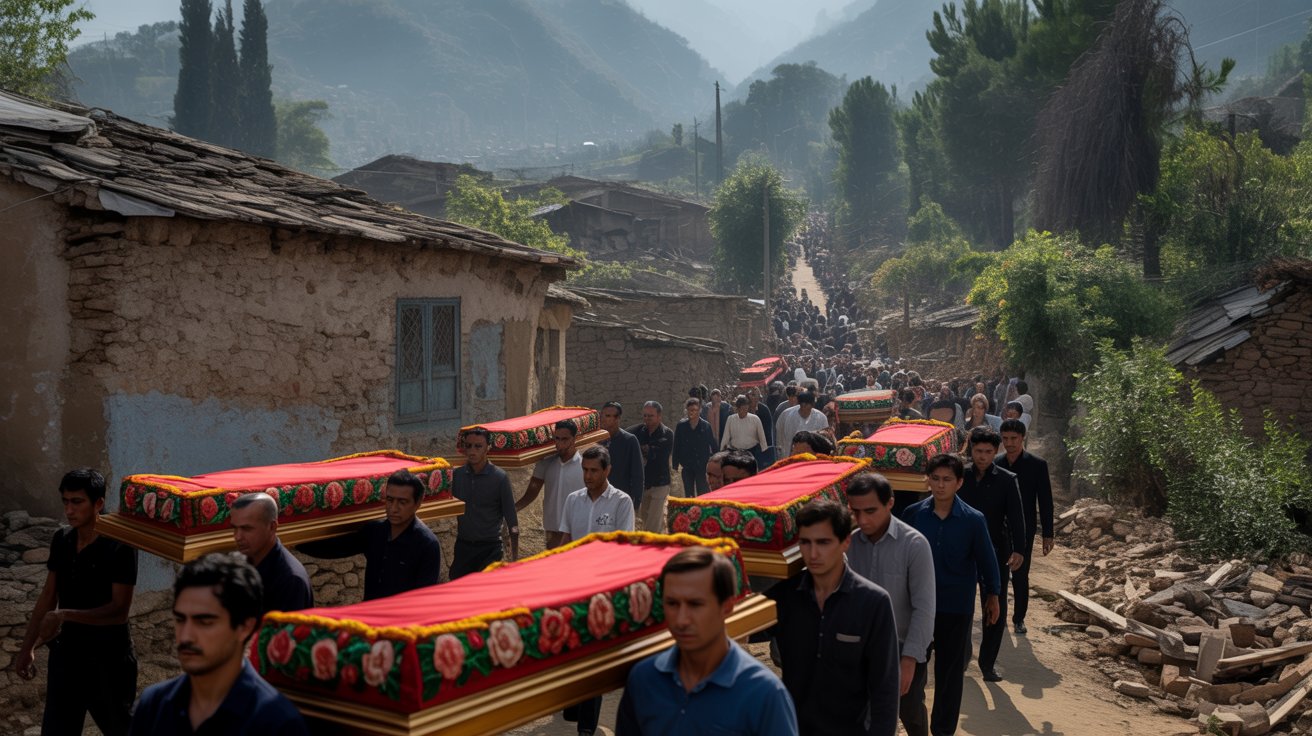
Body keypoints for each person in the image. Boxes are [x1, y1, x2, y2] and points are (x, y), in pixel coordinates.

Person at [616, 547, 799, 736]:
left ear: (727, 607)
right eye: (672, 604)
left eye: (695, 604)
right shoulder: (644, 680)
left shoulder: (763, 693)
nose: (681, 619)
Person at [128, 553, 308, 735]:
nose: (186, 636)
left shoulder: (277, 722)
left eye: (205, 622)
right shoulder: (153, 706)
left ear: (245, 627)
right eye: (180, 620)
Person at [15, 468, 137, 736]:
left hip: (108, 659)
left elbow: (119, 611)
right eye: (65, 502)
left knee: (120, 729)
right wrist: (27, 648)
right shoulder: (63, 540)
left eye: (77, 502)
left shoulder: (120, 546)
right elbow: (48, 595)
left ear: (98, 503)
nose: (69, 510)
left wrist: (64, 615)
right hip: (67, 656)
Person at [766, 500, 900, 735]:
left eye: (823, 542)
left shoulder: (873, 602)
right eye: (805, 543)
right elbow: (738, 630)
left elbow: (885, 689)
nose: (813, 554)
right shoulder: (785, 596)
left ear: (845, 542)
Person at [902, 454, 1000, 736]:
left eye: (947, 479)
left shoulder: (973, 520)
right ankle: (917, 727)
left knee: (949, 674)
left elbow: (987, 560)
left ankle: (943, 730)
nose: (940, 485)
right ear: (927, 480)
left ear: (959, 483)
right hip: (917, 607)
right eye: (935, 478)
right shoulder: (913, 515)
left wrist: (993, 595)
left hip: (956, 606)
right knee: (913, 670)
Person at [846, 472, 936, 736]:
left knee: (909, 711)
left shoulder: (915, 545)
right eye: (856, 511)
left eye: (870, 511)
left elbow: (924, 607)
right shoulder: (848, 543)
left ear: (890, 503)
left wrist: (909, 660)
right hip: (860, 646)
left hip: (903, 646)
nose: (863, 519)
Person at [561, 446, 634, 736]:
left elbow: (623, 548)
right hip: (574, 586)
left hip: (604, 589)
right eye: (585, 470)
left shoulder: (621, 502)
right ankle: (575, 708)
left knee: (594, 655)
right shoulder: (573, 500)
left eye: (594, 471)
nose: (588, 476)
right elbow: (566, 541)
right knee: (573, 650)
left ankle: (587, 727)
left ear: (607, 471)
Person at [298, 470, 440, 600]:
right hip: (370, 614)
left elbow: (423, 599)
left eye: (402, 502)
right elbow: (337, 549)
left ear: (418, 503)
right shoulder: (375, 531)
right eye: (390, 500)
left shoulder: (426, 544)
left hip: (400, 618)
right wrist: (297, 541)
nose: (393, 508)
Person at [956, 427, 1025, 682]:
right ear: (971, 450)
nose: (982, 456)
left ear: (996, 451)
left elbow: (1016, 517)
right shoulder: (959, 475)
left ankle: (987, 664)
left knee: (994, 606)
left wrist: (1019, 549)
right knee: (960, 604)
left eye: (988, 451)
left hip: (995, 550)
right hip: (962, 550)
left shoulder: (1007, 480)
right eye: (978, 451)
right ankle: (961, 657)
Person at [995, 419, 1054, 635]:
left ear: (1023, 438)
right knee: (999, 574)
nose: (1009, 443)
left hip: (1025, 528)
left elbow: (1045, 501)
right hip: (1000, 528)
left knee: (1020, 575)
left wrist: (1047, 533)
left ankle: (1018, 618)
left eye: (1014, 438)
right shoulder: (996, 463)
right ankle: (998, 616)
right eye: (1005, 438)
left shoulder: (1037, 465)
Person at [450, 427, 519, 579]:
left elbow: (511, 518)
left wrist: (515, 558)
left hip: (490, 548)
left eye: (478, 446)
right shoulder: (457, 476)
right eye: (468, 446)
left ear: (488, 448)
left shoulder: (499, 478)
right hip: (464, 546)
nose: (472, 451)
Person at [229, 493, 312, 615]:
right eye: (234, 528)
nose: (237, 537)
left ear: (272, 527)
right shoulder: (241, 563)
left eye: (246, 529)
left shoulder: (290, 580)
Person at [517, 419, 585, 549]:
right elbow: (531, 494)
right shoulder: (545, 464)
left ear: (574, 439)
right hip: (553, 530)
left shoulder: (584, 466)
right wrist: (513, 509)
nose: (559, 444)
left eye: (565, 439)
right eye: (557, 439)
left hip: (577, 530)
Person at [632, 401, 676, 533]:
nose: (647, 418)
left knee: (653, 522)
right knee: (645, 518)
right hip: (643, 483)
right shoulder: (638, 432)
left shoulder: (667, 434)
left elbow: (659, 456)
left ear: (659, 416)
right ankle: (659, 538)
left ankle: (653, 542)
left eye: (650, 416)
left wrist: (644, 450)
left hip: (660, 483)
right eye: (645, 415)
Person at [599, 401, 644, 509]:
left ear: (618, 418)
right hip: (598, 497)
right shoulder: (595, 440)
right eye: (606, 415)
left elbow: (637, 473)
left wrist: (636, 501)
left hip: (621, 498)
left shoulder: (629, 441)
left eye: (612, 416)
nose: (608, 419)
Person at [673, 398, 718, 498]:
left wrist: (716, 462)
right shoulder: (681, 426)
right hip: (687, 465)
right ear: (687, 411)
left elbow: (713, 444)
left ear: (699, 410)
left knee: (703, 493)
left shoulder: (706, 426)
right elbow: (676, 445)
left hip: (702, 465)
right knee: (689, 494)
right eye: (690, 410)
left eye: (694, 410)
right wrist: (675, 464)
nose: (692, 412)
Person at [746, 388, 775, 466]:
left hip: (760, 447)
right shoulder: (743, 409)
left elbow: (768, 432)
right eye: (751, 395)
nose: (753, 398)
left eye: (755, 395)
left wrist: (767, 449)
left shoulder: (764, 410)